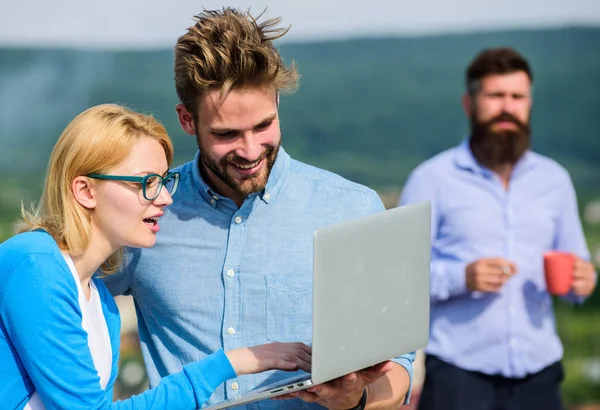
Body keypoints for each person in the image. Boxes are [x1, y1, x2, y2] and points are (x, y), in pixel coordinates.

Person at [102, 7, 415, 410]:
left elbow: (400, 371)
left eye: (263, 126)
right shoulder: (145, 211)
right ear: (186, 119)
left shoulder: (353, 207)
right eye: (226, 134)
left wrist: (355, 398)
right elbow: (57, 299)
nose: (250, 151)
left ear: (278, 103)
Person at [0, 103, 312, 409]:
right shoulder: (34, 264)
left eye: (163, 181)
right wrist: (227, 363)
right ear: (85, 191)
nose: (164, 198)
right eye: (147, 183)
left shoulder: (101, 302)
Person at [398, 47, 597, 410]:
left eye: (517, 97)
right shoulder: (431, 180)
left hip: (541, 373)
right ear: (469, 103)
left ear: (530, 103)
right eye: (495, 96)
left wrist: (583, 281)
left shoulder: (555, 180)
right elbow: (399, 280)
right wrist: (463, 277)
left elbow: (577, 268)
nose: (508, 107)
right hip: (458, 374)